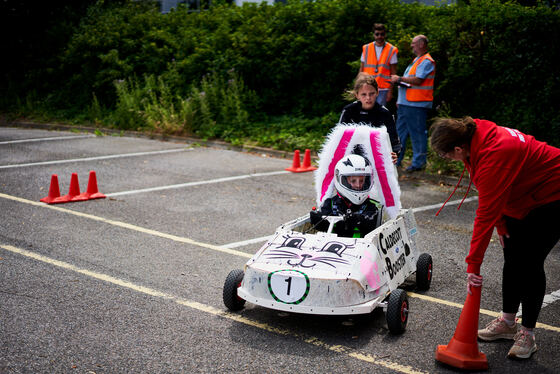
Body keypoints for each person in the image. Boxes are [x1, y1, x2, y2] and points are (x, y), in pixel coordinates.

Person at [430, 116, 560, 360]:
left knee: (531, 263)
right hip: (522, 194)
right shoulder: (473, 139)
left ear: (457, 148)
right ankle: (508, 322)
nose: (447, 159)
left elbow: (484, 214)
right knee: (512, 258)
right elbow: (490, 191)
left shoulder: (495, 153)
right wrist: (502, 226)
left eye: (446, 155)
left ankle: (528, 335)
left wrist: (473, 266)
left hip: (553, 194)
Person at [390, 35, 435, 172]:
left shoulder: (427, 61)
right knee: (399, 134)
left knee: (417, 134)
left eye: (413, 43)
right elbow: (410, 82)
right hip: (406, 103)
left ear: (421, 44)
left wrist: (399, 78)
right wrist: (400, 100)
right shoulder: (417, 60)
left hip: (416, 104)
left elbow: (418, 80)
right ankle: (396, 161)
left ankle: (418, 164)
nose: (411, 46)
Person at [310, 154, 382, 238]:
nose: (358, 185)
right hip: (333, 246)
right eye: (353, 181)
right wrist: (318, 221)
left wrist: (355, 219)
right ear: (342, 180)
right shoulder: (330, 204)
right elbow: (323, 225)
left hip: (362, 248)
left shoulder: (370, 206)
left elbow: (369, 224)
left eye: (361, 180)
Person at [339, 73, 401, 164]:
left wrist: (395, 154)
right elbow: (339, 137)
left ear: (377, 92)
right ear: (357, 95)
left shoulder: (385, 113)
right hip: (352, 159)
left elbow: (394, 141)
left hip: (378, 160)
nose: (368, 98)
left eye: (371, 94)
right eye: (363, 94)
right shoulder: (349, 110)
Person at [359, 23, 398, 107]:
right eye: (377, 34)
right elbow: (361, 70)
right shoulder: (366, 48)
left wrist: (390, 91)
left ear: (385, 34)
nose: (379, 36)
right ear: (374, 35)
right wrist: (359, 87)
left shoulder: (391, 49)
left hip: (383, 89)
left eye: (382, 34)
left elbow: (393, 73)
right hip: (367, 88)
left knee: (378, 115)